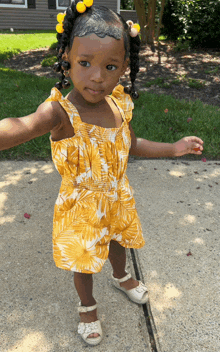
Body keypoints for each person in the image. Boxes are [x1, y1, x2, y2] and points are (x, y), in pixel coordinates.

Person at [0, 0, 204, 346]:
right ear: (66, 56)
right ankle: (88, 307)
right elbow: (20, 126)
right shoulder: (59, 113)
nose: (97, 76)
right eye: (85, 63)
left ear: (125, 66)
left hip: (116, 197)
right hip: (81, 207)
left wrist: (173, 148)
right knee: (84, 261)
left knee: (117, 242)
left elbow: (130, 143)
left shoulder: (118, 104)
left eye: (110, 66)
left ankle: (122, 277)